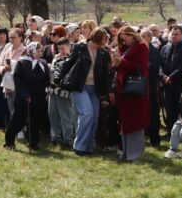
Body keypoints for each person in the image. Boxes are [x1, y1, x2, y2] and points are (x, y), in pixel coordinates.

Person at [62, 28, 111, 156]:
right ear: (97, 38)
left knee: (94, 118)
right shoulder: (80, 47)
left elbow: (106, 74)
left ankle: (88, 147)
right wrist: (58, 77)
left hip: (95, 89)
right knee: (87, 114)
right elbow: (69, 62)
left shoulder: (104, 52)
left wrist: (107, 93)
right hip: (80, 86)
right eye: (104, 39)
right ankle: (79, 146)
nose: (105, 42)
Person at [112, 26, 150, 162]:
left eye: (125, 37)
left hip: (135, 90)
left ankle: (135, 153)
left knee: (135, 121)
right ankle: (126, 152)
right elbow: (119, 68)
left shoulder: (141, 47)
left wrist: (122, 62)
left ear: (132, 35)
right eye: (122, 38)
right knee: (125, 122)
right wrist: (116, 62)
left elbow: (141, 69)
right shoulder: (123, 48)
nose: (124, 40)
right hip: (123, 90)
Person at [4, 42, 50, 151]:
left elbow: (47, 78)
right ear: (31, 51)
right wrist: (25, 94)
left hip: (38, 97)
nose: (40, 53)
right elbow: (18, 80)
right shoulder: (22, 63)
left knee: (35, 120)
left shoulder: (43, 63)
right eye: (38, 51)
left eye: (41, 51)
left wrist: (48, 88)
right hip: (24, 98)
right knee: (18, 120)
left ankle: (33, 142)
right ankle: (9, 141)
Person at [159, 26, 182, 129]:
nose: (174, 36)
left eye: (176, 34)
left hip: (179, 84)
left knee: (179, 108)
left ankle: (179, 132)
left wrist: (171, 77)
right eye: (172, 34)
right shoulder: (165, 48)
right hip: (166, 84)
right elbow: (160, 64)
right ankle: (170, 130)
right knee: (168, 108)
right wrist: (162, 76)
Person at [48, 38, 76, 148]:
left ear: (69, 47)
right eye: (59, 48)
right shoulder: (56, 58)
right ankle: (55, 137)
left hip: (64, 92)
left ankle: (68, 139)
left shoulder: (72, 59)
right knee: (52, 114)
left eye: (63, 48)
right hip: (53, 90)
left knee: (65, 116)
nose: (61, 51)